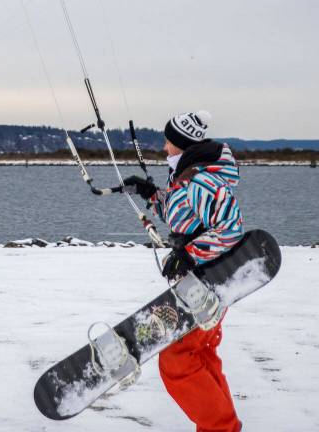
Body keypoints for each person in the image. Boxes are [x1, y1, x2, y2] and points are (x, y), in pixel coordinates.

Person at [123, 110, 244, 432]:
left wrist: (189, 255)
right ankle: (223, 427)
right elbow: (184, 218)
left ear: (180, 143)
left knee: (178, 359)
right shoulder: (189, 176)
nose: (163, 147)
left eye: (167, 141)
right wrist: (152, 195)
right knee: (200, 352)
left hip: (209, 280)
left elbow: (230, 229)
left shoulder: (202, 179)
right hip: (202, 280)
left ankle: (220, 428)